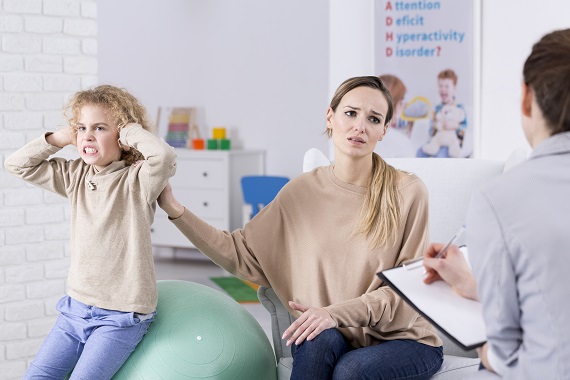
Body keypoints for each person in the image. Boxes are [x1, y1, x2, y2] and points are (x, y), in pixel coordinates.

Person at [158, 76, 444, 379]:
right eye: (351, 113)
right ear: (330, 117)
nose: (360, 126)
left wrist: (333, 314)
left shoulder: (408, 192)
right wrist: (175, 210)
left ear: (384, 130)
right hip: (333, 333)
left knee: (351, 370)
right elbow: (239, 252)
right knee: (313, 338)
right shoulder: (301, 191)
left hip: (407, 342)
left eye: (373, 119)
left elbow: (405, 293)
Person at [422, 28, 570, 379]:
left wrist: (487, 355)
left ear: (526, 99)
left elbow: (508, 353)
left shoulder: (500, 199)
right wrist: (475, 286)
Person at [4, 85, 177, 379]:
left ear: (122, 137)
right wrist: (58, 138)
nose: (87, 135)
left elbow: (164, 157)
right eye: (81, 128)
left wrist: (131, 131)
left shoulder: (139, 180)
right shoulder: (75, 175)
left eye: (100, 128)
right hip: (75, 308)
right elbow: (17, 165)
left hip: (121, 316)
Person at [418, 69, 468, 158]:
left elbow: (466, 131)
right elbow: (430, 131)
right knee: (420, 152)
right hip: (437, 140)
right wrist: (435, 126)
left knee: (440, 155)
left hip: (451, 143)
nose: (443, 89)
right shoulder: (437, 109)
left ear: (454, 87)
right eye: (440, 86)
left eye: (446, 86)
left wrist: (456, 126)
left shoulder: (459, 108)